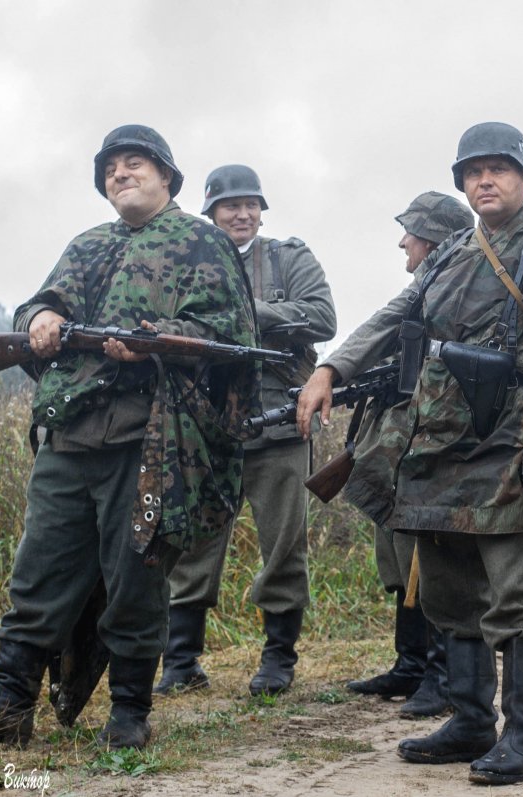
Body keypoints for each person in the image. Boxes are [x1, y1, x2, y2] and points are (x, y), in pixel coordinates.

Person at [296, 122, 523, 785]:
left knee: (517, 598)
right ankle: (471, 720)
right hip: (439, 445)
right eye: (473, 172)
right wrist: (330, 367)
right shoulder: (453, 251)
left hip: (516, 446)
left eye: (499, 169)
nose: (485, 181)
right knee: (449, 593)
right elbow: (397, 315)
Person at [0, 125, 261, 749]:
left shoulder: (204, 242)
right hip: (69, 435)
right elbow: (36, 305)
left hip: (150, 439)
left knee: (136, 577)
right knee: (38, 570)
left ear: (167, 176)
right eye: (111, 169)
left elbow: (228, 337)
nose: (120, 175)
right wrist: (43, 318)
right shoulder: (87, 244)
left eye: (134, 163)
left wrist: (152, 342)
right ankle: (10, 703)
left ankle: (129, 712)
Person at [155, 164, 336, 698]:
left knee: (283, 544)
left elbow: (322, 317)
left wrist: (248, 312)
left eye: (250, 204)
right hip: (206, 427)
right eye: (230, 206)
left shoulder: (289, 258)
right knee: (192, 543)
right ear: (210, 212)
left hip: (278, 422)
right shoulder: (187, 263)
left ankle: (278, 659)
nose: (242, 214)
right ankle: (181, 662)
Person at [338, 191, 475, 718]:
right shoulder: (423, 290)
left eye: (412, 233)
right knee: (398, 555)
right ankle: (411, 663)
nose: (402, 242)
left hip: (437, 444)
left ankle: (442, 676)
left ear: (434, 240)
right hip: (401, 443)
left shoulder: (456, 290)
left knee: (427, 558)